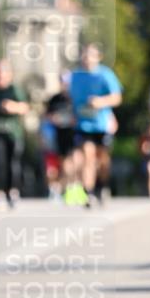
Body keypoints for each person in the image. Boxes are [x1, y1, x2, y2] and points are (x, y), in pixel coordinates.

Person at [70, 43, 122, 207]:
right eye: (85, 55)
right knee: (88, 156)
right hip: (83, 124)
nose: (87, 59)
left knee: (103, 160)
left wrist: (101, 102)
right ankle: (89, 192)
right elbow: (71, 98)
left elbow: (117, 98)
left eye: (91, 55)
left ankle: (102, 186)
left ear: (98, 57)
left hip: (102, 124)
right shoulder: (75, 76)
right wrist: (73, 114)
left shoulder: (106, 75)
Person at [0, 59, 29, 209]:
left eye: (2, 72)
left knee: (13, 162)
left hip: (12, 132)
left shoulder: (14, 89)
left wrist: (11, 107)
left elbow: (24, 107)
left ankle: (13, 191)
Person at [44, 72, 82, 205]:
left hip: (76, 134)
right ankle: (67, 188)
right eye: (63, 81)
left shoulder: (76, 97)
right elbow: (47, 116)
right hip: (59, 136)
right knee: (64, 164)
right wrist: (54, 119)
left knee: (77, 161)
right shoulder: (55, 99)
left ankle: (75, 187)